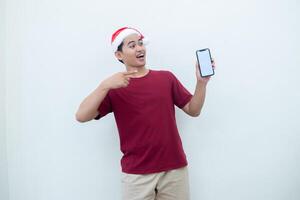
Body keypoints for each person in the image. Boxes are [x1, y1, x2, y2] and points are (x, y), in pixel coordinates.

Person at [75, 27, 215, 200]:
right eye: (132, 45)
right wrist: (104, 85)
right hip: (136, 175)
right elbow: (81, 116)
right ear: (119, 55)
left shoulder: (166, 78)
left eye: (141, 43)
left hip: (174, 171)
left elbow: (193, 110)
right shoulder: (115, 88)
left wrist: (201, 83)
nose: (140, 48)